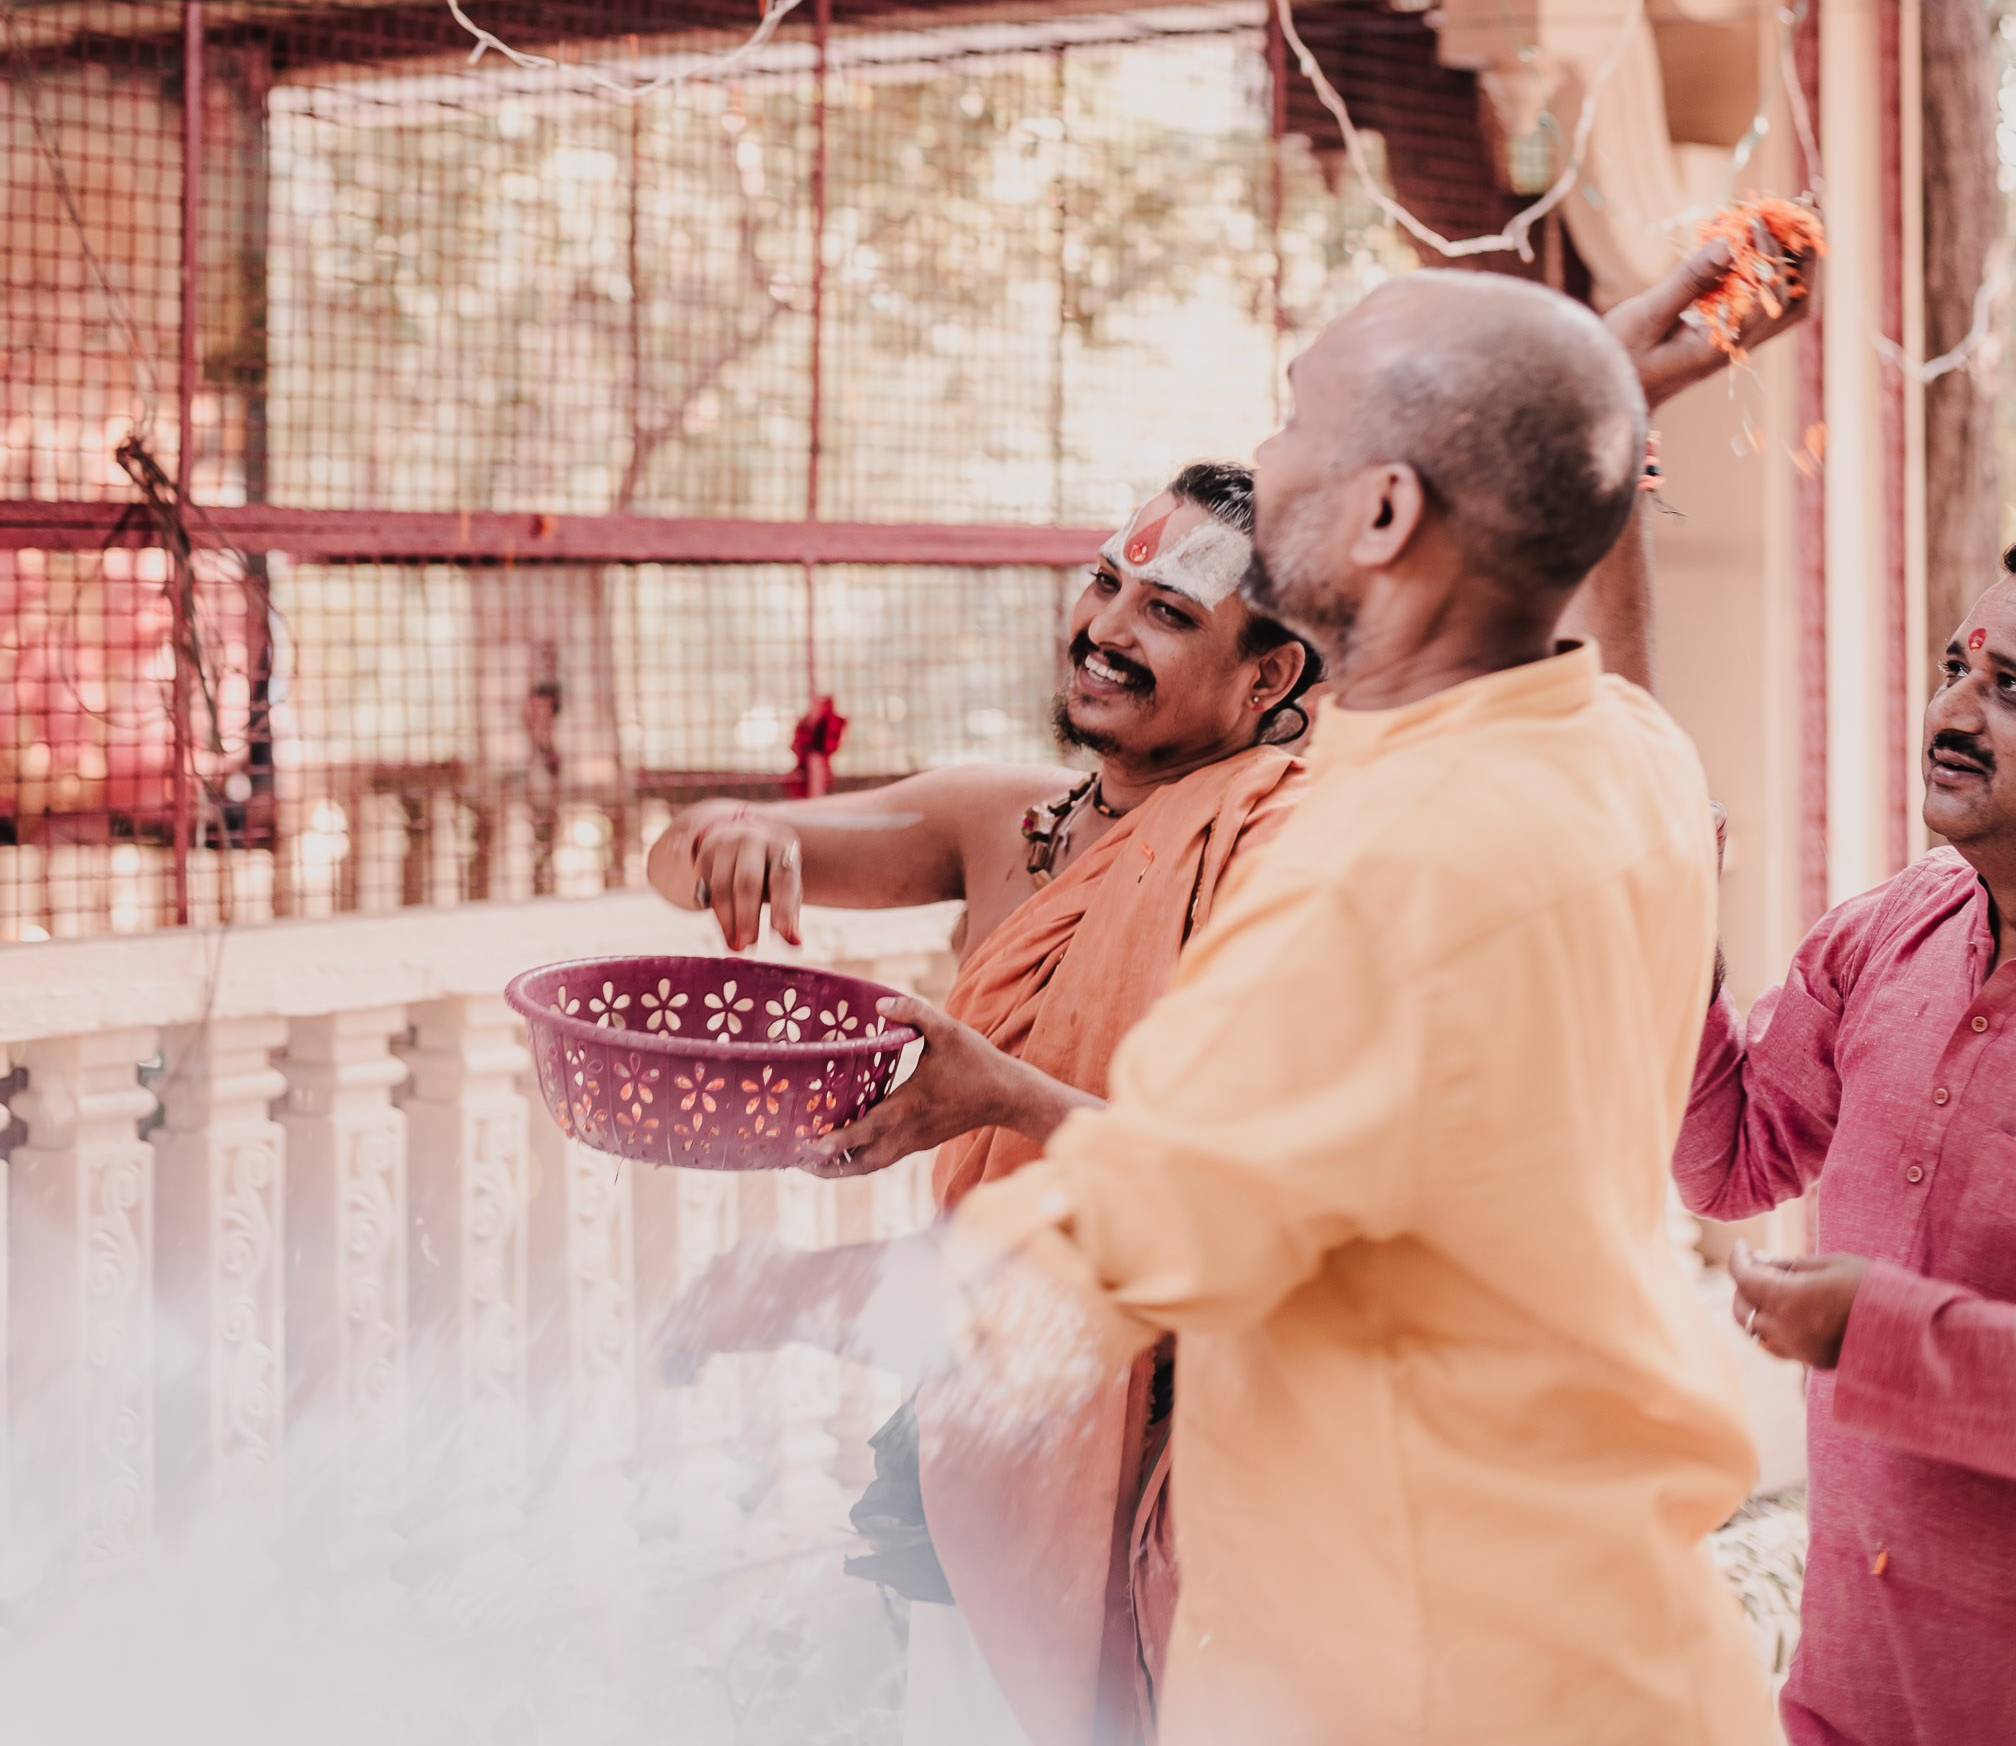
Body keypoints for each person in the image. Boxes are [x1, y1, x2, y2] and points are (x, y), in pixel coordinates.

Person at [667, 257, 1802, 1746]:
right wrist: (1585, 403)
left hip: (1418, 1683)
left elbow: (1099, 1257)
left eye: (1293, 423)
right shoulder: (1624, 759)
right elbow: (1589, 649)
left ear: (1386, 518)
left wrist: (791, 1294)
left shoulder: (1362, 882)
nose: (1261, 463)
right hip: (1618, 1650)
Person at [651, 460, 1323, 1746]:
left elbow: (1264, 1183)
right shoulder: (999, 820)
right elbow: (677, 862)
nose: (1107, 631)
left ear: (1271, 677)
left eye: (1170, 614)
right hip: (985, 1401)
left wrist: (998, 1094)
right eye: (1103, 584)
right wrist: (733, 837)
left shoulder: (1289, 853)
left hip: (1203, 1433)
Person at [1676, 551, 2016, 1746]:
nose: (1953, 716)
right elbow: (1732, 1161)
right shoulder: (1891, 929)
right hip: (1851, 1689)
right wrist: (1675, 939)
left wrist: (1879, 1336)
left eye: (2012, 689)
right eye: (1953, 669)